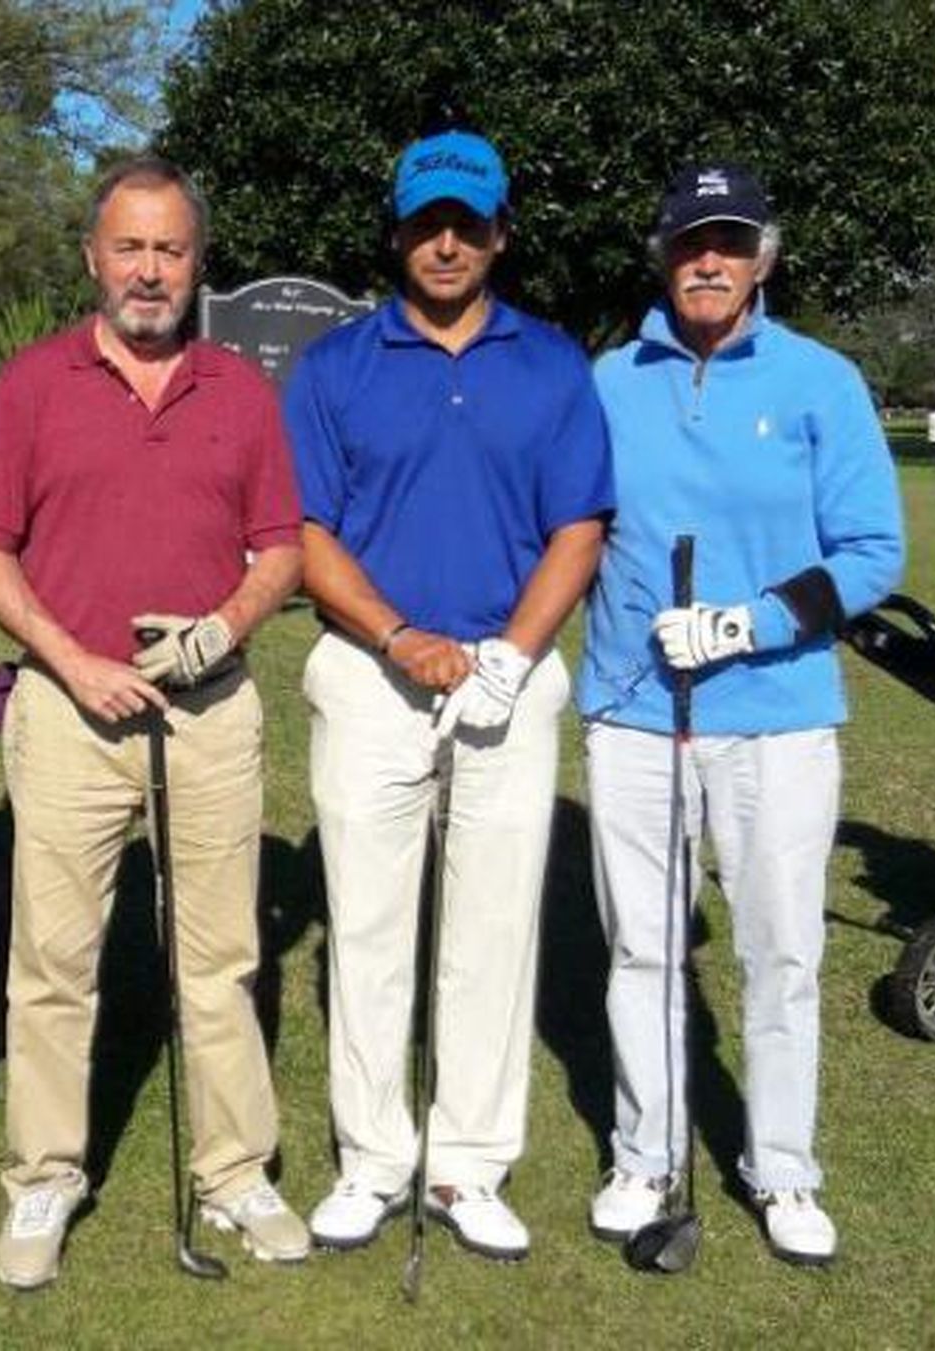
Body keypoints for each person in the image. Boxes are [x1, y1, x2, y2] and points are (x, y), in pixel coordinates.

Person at [0, 154, 310, 1290]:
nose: (149, 270)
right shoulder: (32, 383)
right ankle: (44, 1177)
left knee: (219, 961)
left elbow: (282, 548)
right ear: (92, 257)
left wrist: (225, 624)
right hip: (69, 715)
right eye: (130, 247)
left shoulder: (241, 392)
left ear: (196, 263)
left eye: (170, 249)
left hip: (209, 715)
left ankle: (235, 1171)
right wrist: (72, 658)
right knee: (53, 965)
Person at [285, 127, 613, 1261]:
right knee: (369, 927)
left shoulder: (554, 361)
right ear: (398, 231)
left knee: (492, 925)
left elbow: (580, 525)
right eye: (427, 221)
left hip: (508, 680)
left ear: (500, 234)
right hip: (371, 673)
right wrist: (399, 634)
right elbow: (307, 532)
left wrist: (513, 655)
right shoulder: (337, 364)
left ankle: (468, 1165)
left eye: (467, 224)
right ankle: (374, 1161)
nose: (445, 241)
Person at [577, 164, 904, 1266]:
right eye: (687, 244)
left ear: (761, 256)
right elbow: (569, 529)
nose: (706, 262)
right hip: (632, 711)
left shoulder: (822, 380)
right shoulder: (611, 380)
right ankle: (646, 1152)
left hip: (777, 711)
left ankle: (782, 1167)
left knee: (781, 952)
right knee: (641, 947)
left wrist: (747, 624)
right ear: (662, 259)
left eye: (727, 242)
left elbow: (870, 552)